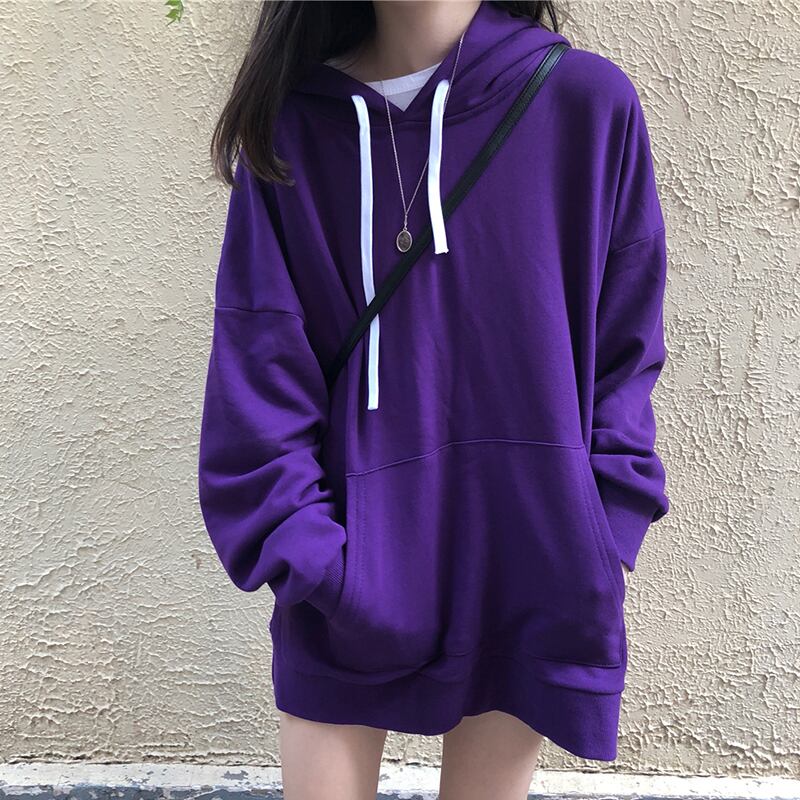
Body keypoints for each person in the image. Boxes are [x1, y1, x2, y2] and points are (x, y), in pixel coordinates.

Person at [197, 1, 671, 798]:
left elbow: (627, 344)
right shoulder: (292, 129)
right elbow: (258, 370)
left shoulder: (585, 103)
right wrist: (313, 558)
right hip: (346, 577)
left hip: (532, 564)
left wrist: (602, 528)